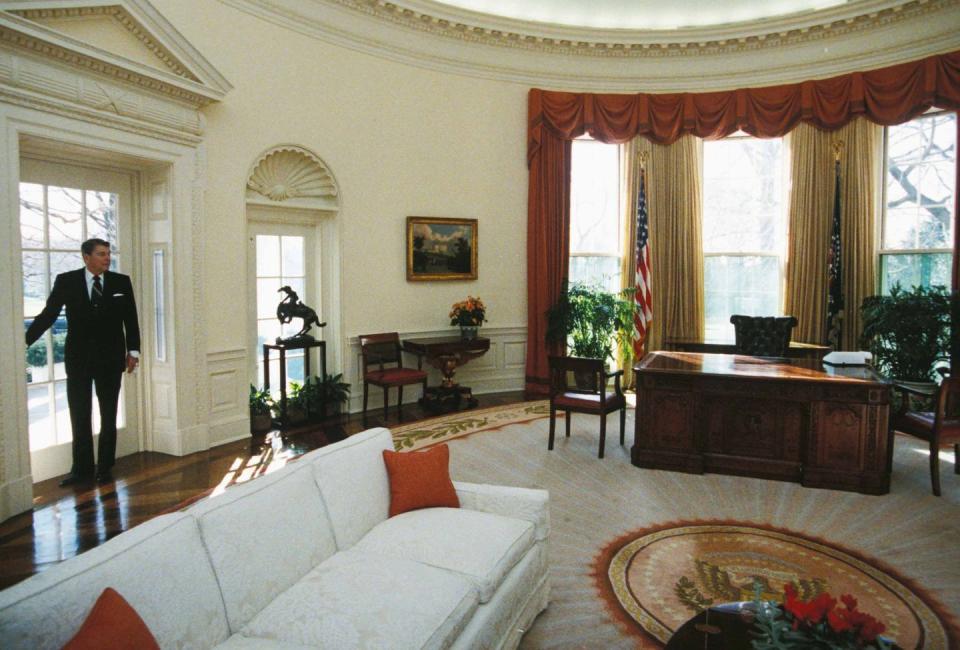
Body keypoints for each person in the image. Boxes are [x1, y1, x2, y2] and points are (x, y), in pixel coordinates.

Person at [26, 238, 140, 486]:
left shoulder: (121, 282)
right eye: (101, 254)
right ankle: (81, 469)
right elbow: (49, 314)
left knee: (109, 413)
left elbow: (130, 318)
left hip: (111, 359)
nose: (107, 258)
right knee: (80, 413)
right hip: (78, 359)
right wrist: (22, 342)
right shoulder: (66, 281)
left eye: (108, 254)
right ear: (86, 257)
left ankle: (105, 467)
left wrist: (134, 351)